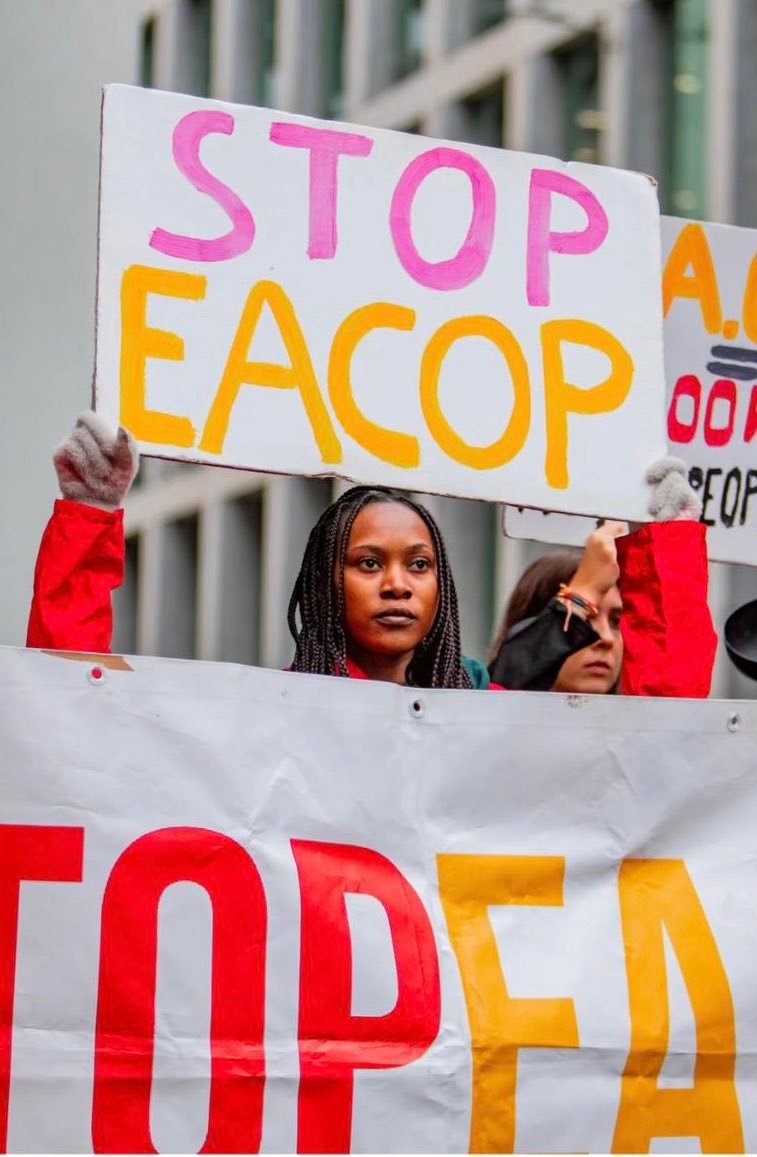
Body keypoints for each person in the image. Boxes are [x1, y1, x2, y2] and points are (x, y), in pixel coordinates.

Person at [488, 459, 717, 698]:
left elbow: (670, 700)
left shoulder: (636, 731)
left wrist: (668, 542)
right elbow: (502, 695)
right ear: (528, 626)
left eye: (617, 622)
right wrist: (581, 593)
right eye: (584, 618)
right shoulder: (474, 719)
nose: (605, 639)